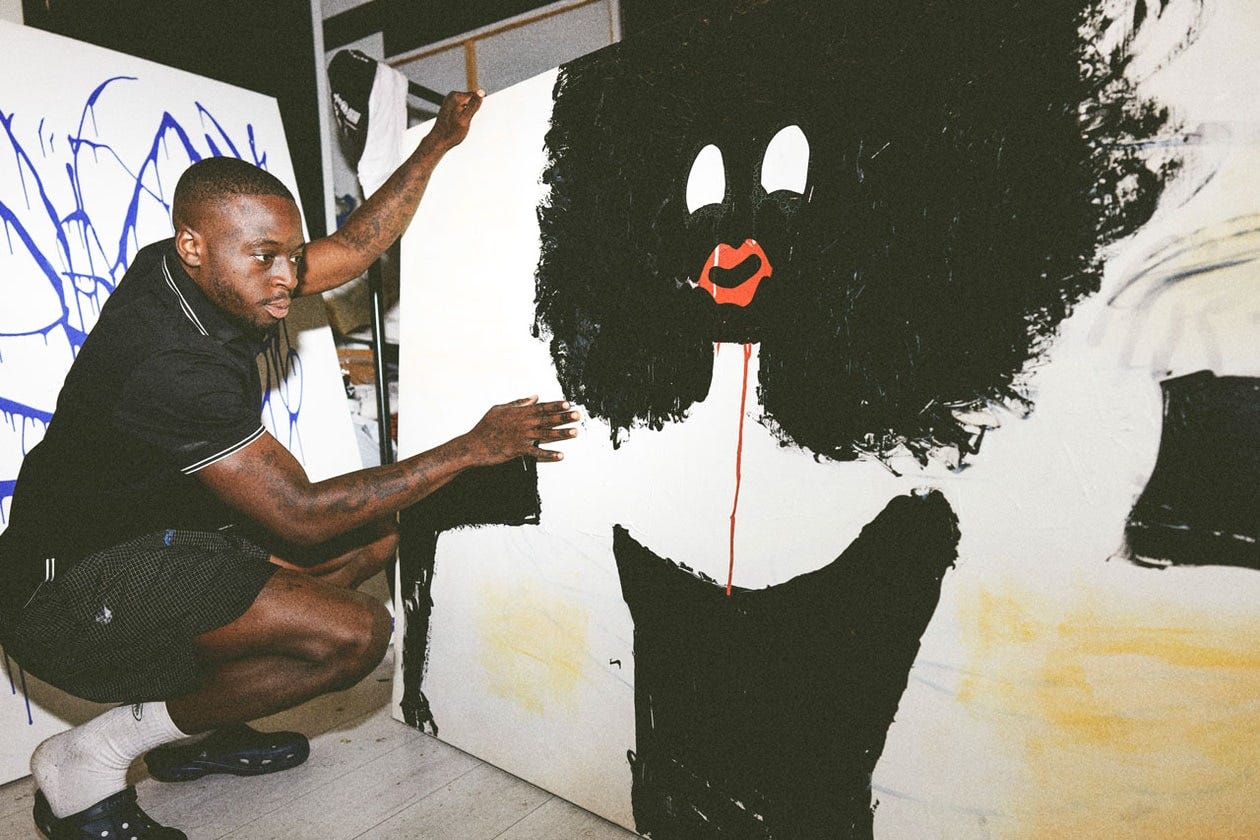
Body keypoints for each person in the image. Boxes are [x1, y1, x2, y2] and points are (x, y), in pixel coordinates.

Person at [0, 89, 578, 840]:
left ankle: (202, 729)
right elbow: (303, 516)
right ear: (193, 246)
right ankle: (88, 758)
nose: (287, 278)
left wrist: (437, 141)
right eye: (265, 257)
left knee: (374, 538)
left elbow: (355, 248)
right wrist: (475, 447)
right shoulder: (167, 361)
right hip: (68, 592)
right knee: (355, 636)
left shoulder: (197, 270)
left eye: (291, 256)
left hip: (156, 541)